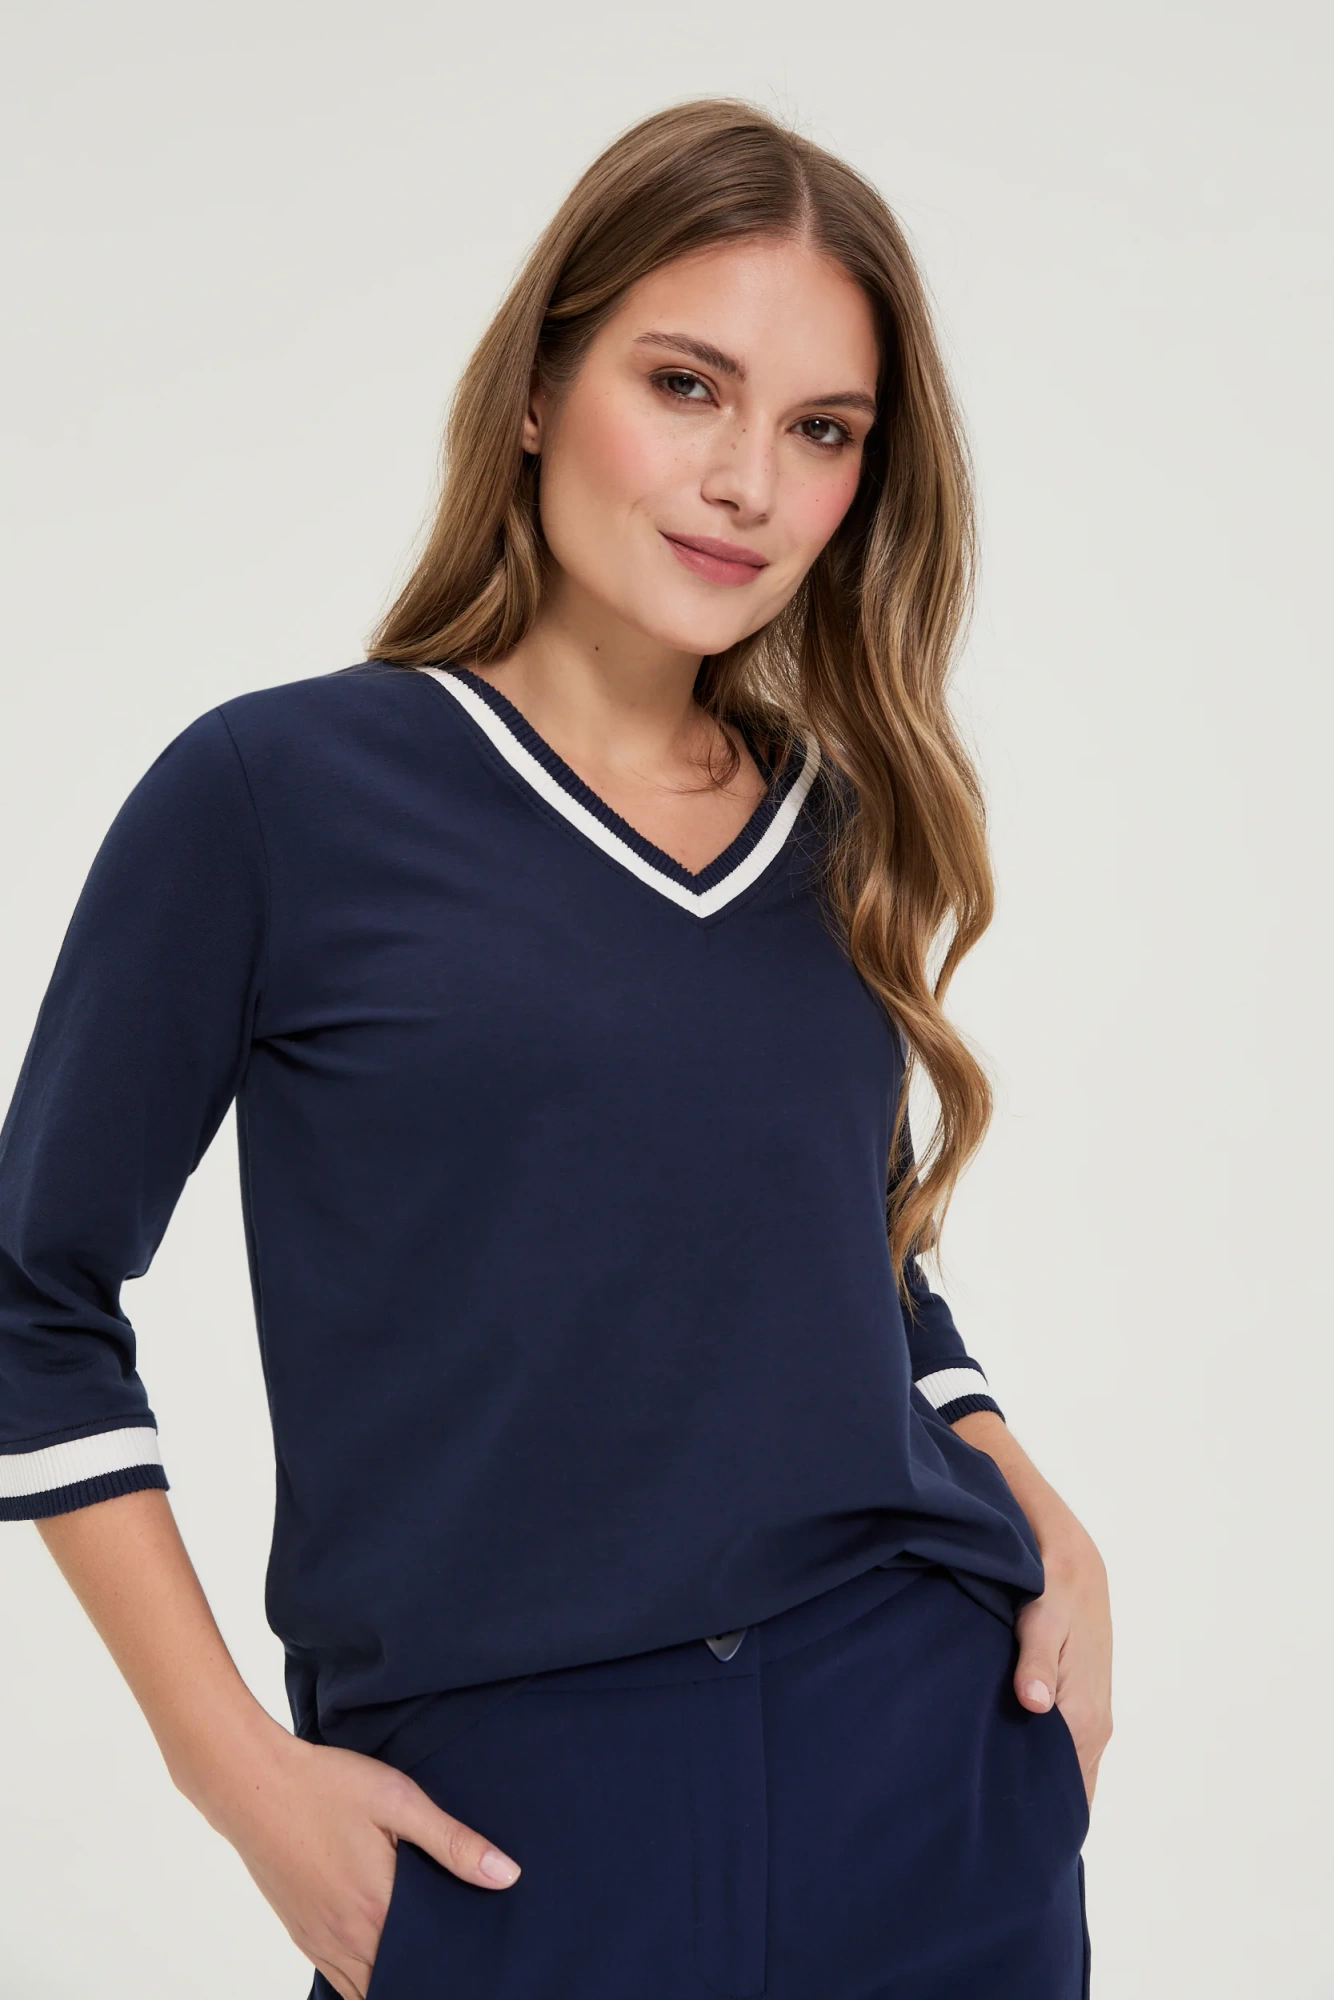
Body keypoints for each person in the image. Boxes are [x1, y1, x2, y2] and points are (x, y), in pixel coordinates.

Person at [0, 97, 1112, 1998]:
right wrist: (234, 1775)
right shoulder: (277, 797)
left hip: (923, 1773)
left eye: (822, 429)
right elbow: (32, 1292)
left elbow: (837, 1245)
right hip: (507, 1831)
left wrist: (1031, 1498)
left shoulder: (835, 832)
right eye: (686, 386)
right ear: (536, 391)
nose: (745, 482)